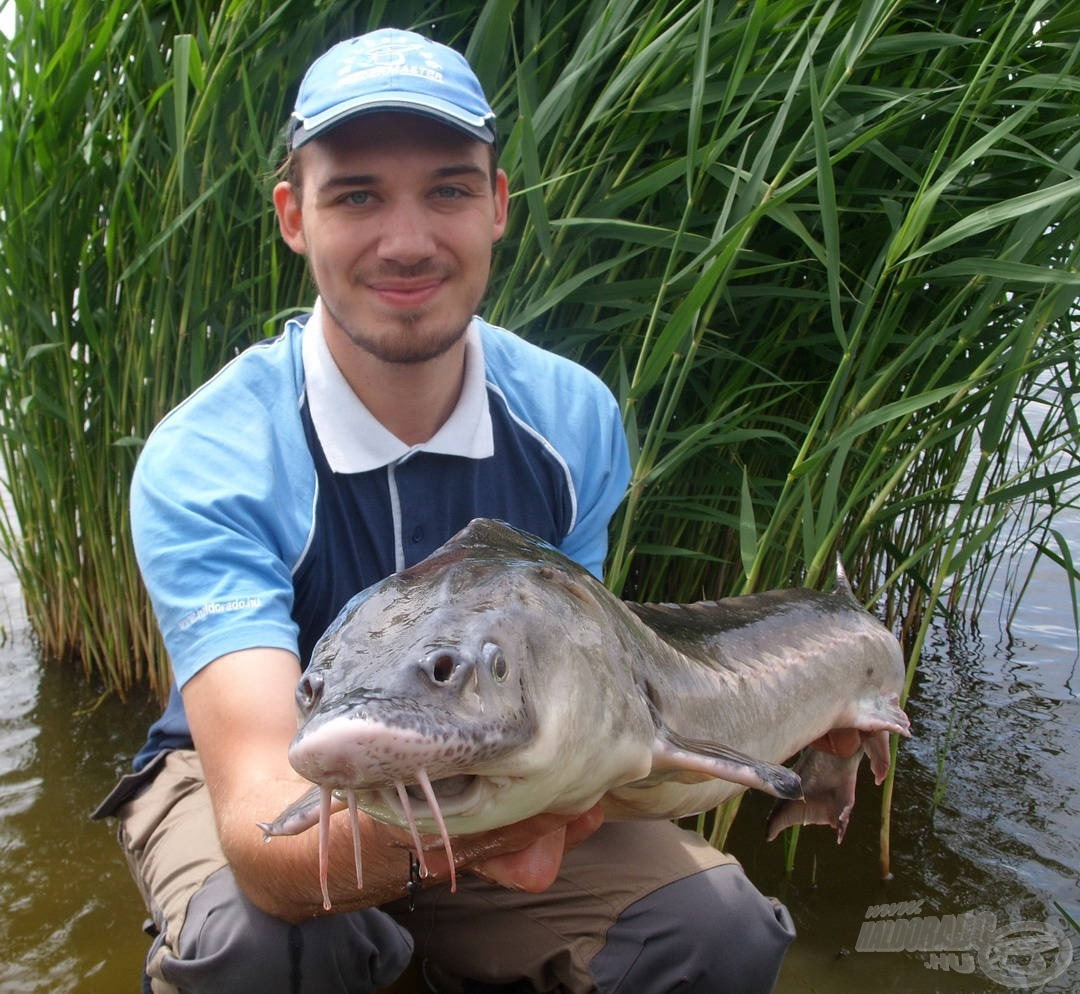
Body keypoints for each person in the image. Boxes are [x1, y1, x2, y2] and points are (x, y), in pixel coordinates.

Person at [94, 27, 795, 994]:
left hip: (502, 759)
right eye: (357, 195)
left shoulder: (570, 418)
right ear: (294, 216)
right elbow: (267, 832)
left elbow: (581, 689)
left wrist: (793, 716)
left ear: (499, 205)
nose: (409, 241)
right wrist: (510, 826)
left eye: (449, 189)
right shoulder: (209, 459)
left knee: (717, 932)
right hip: (275, 773)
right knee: (275, 949)